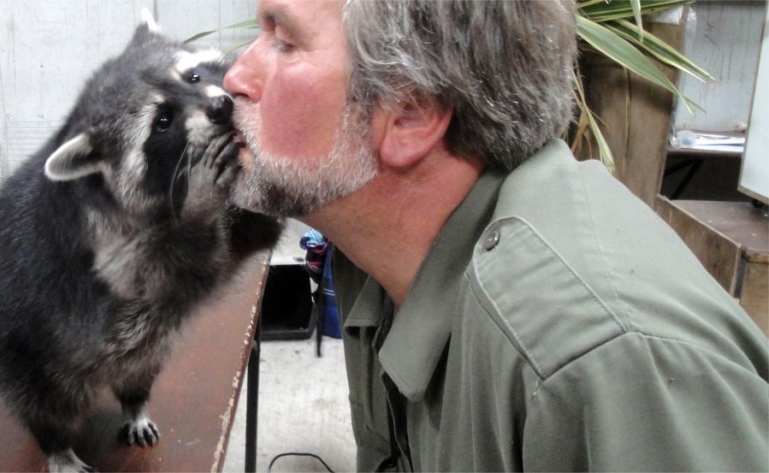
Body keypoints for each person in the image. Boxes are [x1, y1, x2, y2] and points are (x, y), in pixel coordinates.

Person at [223, 0, 769, 470]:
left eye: (284, 42)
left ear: (410, 114)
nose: (236, 76)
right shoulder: (376, 253)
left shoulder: (596, 362)